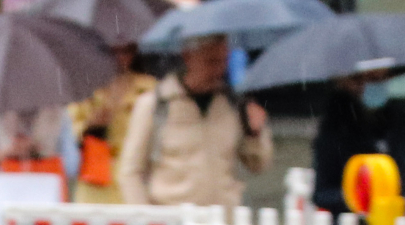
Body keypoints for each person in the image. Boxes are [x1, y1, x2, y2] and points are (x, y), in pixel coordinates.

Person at [120, 32, 268, 208]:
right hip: (174, 222)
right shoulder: (154, 105)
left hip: (222, 223)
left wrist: (255, 134)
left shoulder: (233, 105)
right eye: (211, 61)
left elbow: (258, 165)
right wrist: (148, 221)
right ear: (188, 57)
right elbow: (130, 173)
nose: (218, 69)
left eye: (223, 61)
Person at [311, 70, 405, 225]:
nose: (374, 85)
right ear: (347, 83)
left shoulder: (400, 122)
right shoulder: (334, 127)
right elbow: (322, 193)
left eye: (380, 79)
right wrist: (362, 196)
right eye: (366, 79)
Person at [70, 44, 152, 204]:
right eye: (112, 51)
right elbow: (70, 137)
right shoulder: (83, 88)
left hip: (134, 181)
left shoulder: (149, 88)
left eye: (126, 50)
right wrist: (92, 125)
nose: (119, 58)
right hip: (95, 181)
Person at [0, 106, 78, 186]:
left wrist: (39, 151)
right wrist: (9, 152)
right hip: (7, 190)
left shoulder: (58, 111)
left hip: (45, 195)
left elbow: (72, 165)